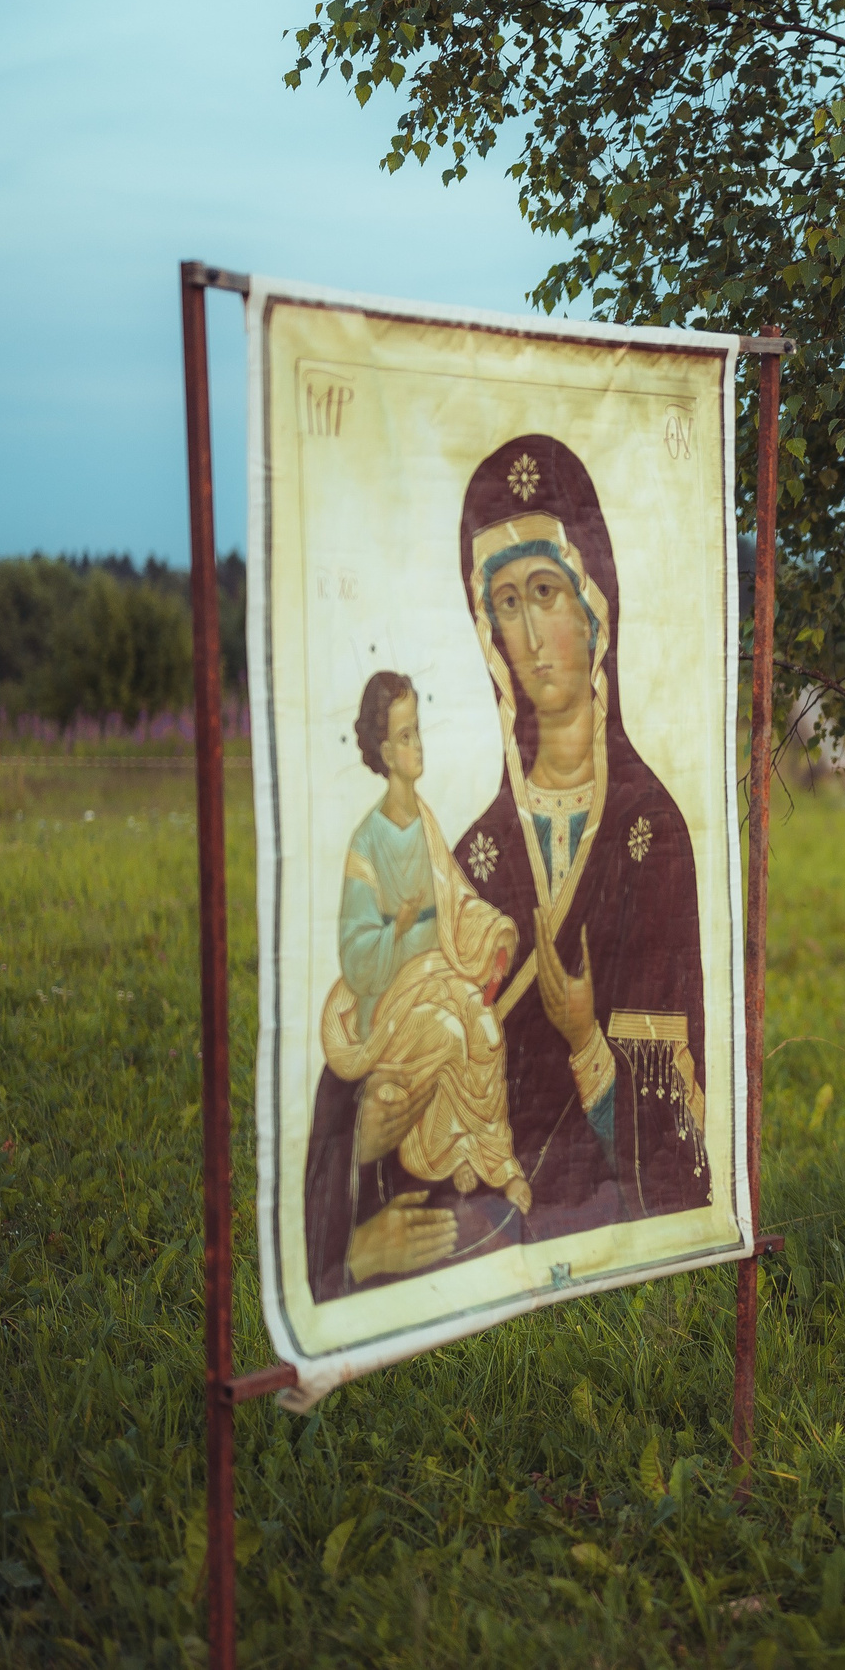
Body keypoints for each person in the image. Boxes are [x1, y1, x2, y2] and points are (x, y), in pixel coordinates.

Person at [304, 434, 713, 1299]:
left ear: (595, 606)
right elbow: (375, 1059)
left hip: (604, 1227)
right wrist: (356, 1245)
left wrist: (585, 1040)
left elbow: (678, 1153)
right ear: (487, 632)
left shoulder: (651, 832)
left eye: (547, 592)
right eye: (506, 603)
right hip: (482, 1215)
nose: (531, 636)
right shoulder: (476, 853)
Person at [320, 671, 530, 1216]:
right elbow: (355, 954)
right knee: (451, 1031)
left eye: (417, 731)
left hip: (438, 976)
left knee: (485, 1030)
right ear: (385, 751)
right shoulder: (368, 842)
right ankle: (442, 1154)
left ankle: (494, 1161)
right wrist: (396, 929)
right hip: (392, 997)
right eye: (406, 735)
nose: (418, 745)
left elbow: (456, 901)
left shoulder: (425, 821)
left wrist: (494, 937)